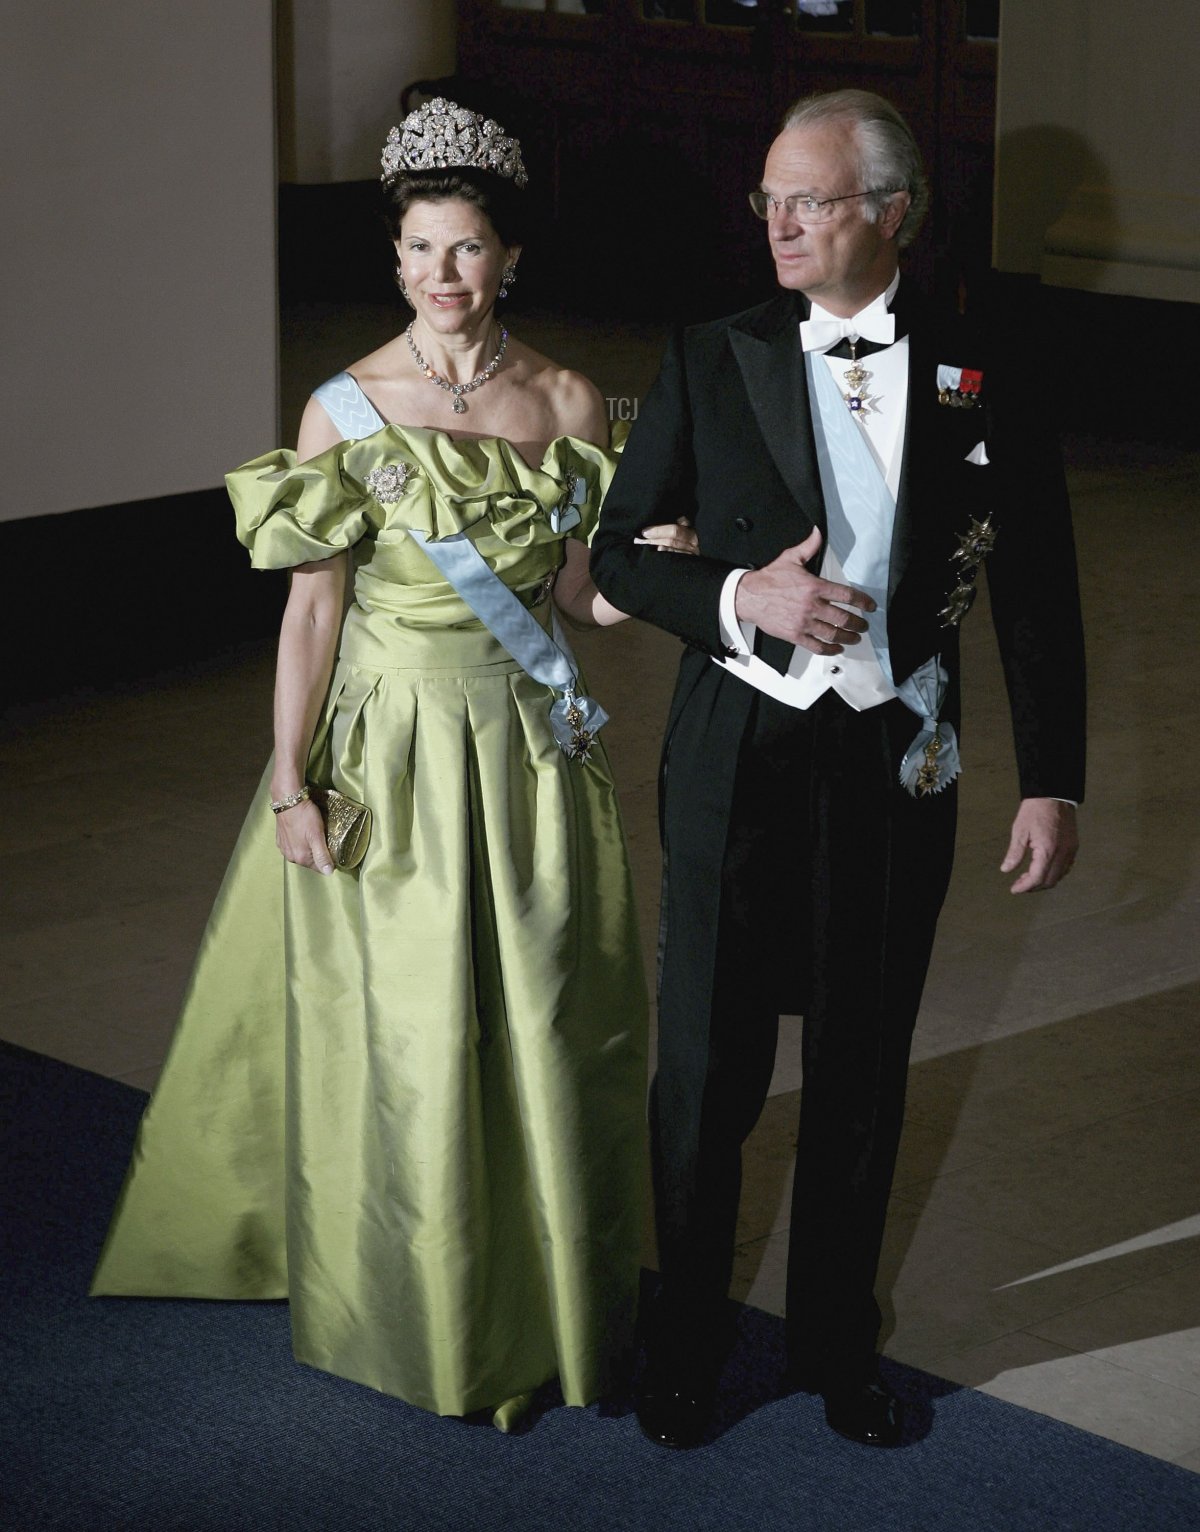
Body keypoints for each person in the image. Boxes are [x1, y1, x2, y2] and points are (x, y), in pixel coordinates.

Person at [91, 98, 695, 1430]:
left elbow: (583, 602)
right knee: (412, 1035)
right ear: (397, 257)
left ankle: (541, 1294)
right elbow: (311, 610)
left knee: (540, 1022)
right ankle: (420, 1307)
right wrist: (292, 785)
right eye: (421, 249)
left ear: (508, 256)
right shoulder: (345, 408)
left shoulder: (571, 398)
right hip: (390, 751)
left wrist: (685, 572)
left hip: (529, 751)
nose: (443, 274)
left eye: (468, 248)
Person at [589, 88, 1086, 1450]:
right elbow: (622, 553)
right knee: (704, 1073)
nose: (780, 224)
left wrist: (1055, 776)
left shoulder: (980, 372)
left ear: (893, 214)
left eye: (809, 201)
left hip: (893, 756)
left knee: (863, 1072)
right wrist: (742, 592)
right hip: (735, 755)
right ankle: (684, 1341)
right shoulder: (713, 352)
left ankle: (832, 1347)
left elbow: (1035, 577)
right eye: (769, 200)